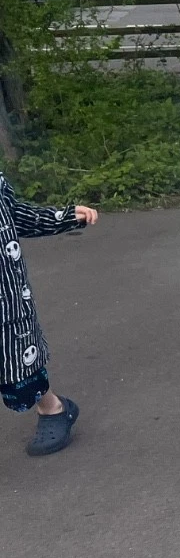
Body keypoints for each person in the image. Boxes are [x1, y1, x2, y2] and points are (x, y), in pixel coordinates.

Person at [0, 172, 97, 455]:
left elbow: (15, 214)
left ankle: (53, 409)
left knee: (14, 362)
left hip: (5, 298)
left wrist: (62, 217)